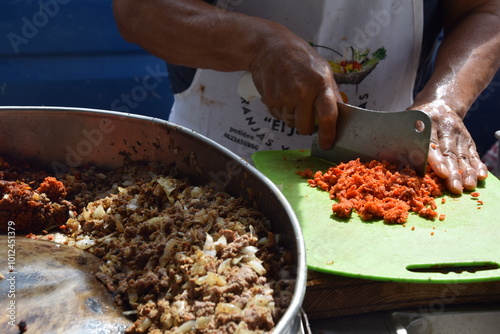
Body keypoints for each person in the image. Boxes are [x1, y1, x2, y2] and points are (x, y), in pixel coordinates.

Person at [112, 0, 500, 195]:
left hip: (381, 171)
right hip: (209, 168)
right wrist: (259, 46)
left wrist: (445, 101)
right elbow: (139, 10)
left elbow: (484, 10)